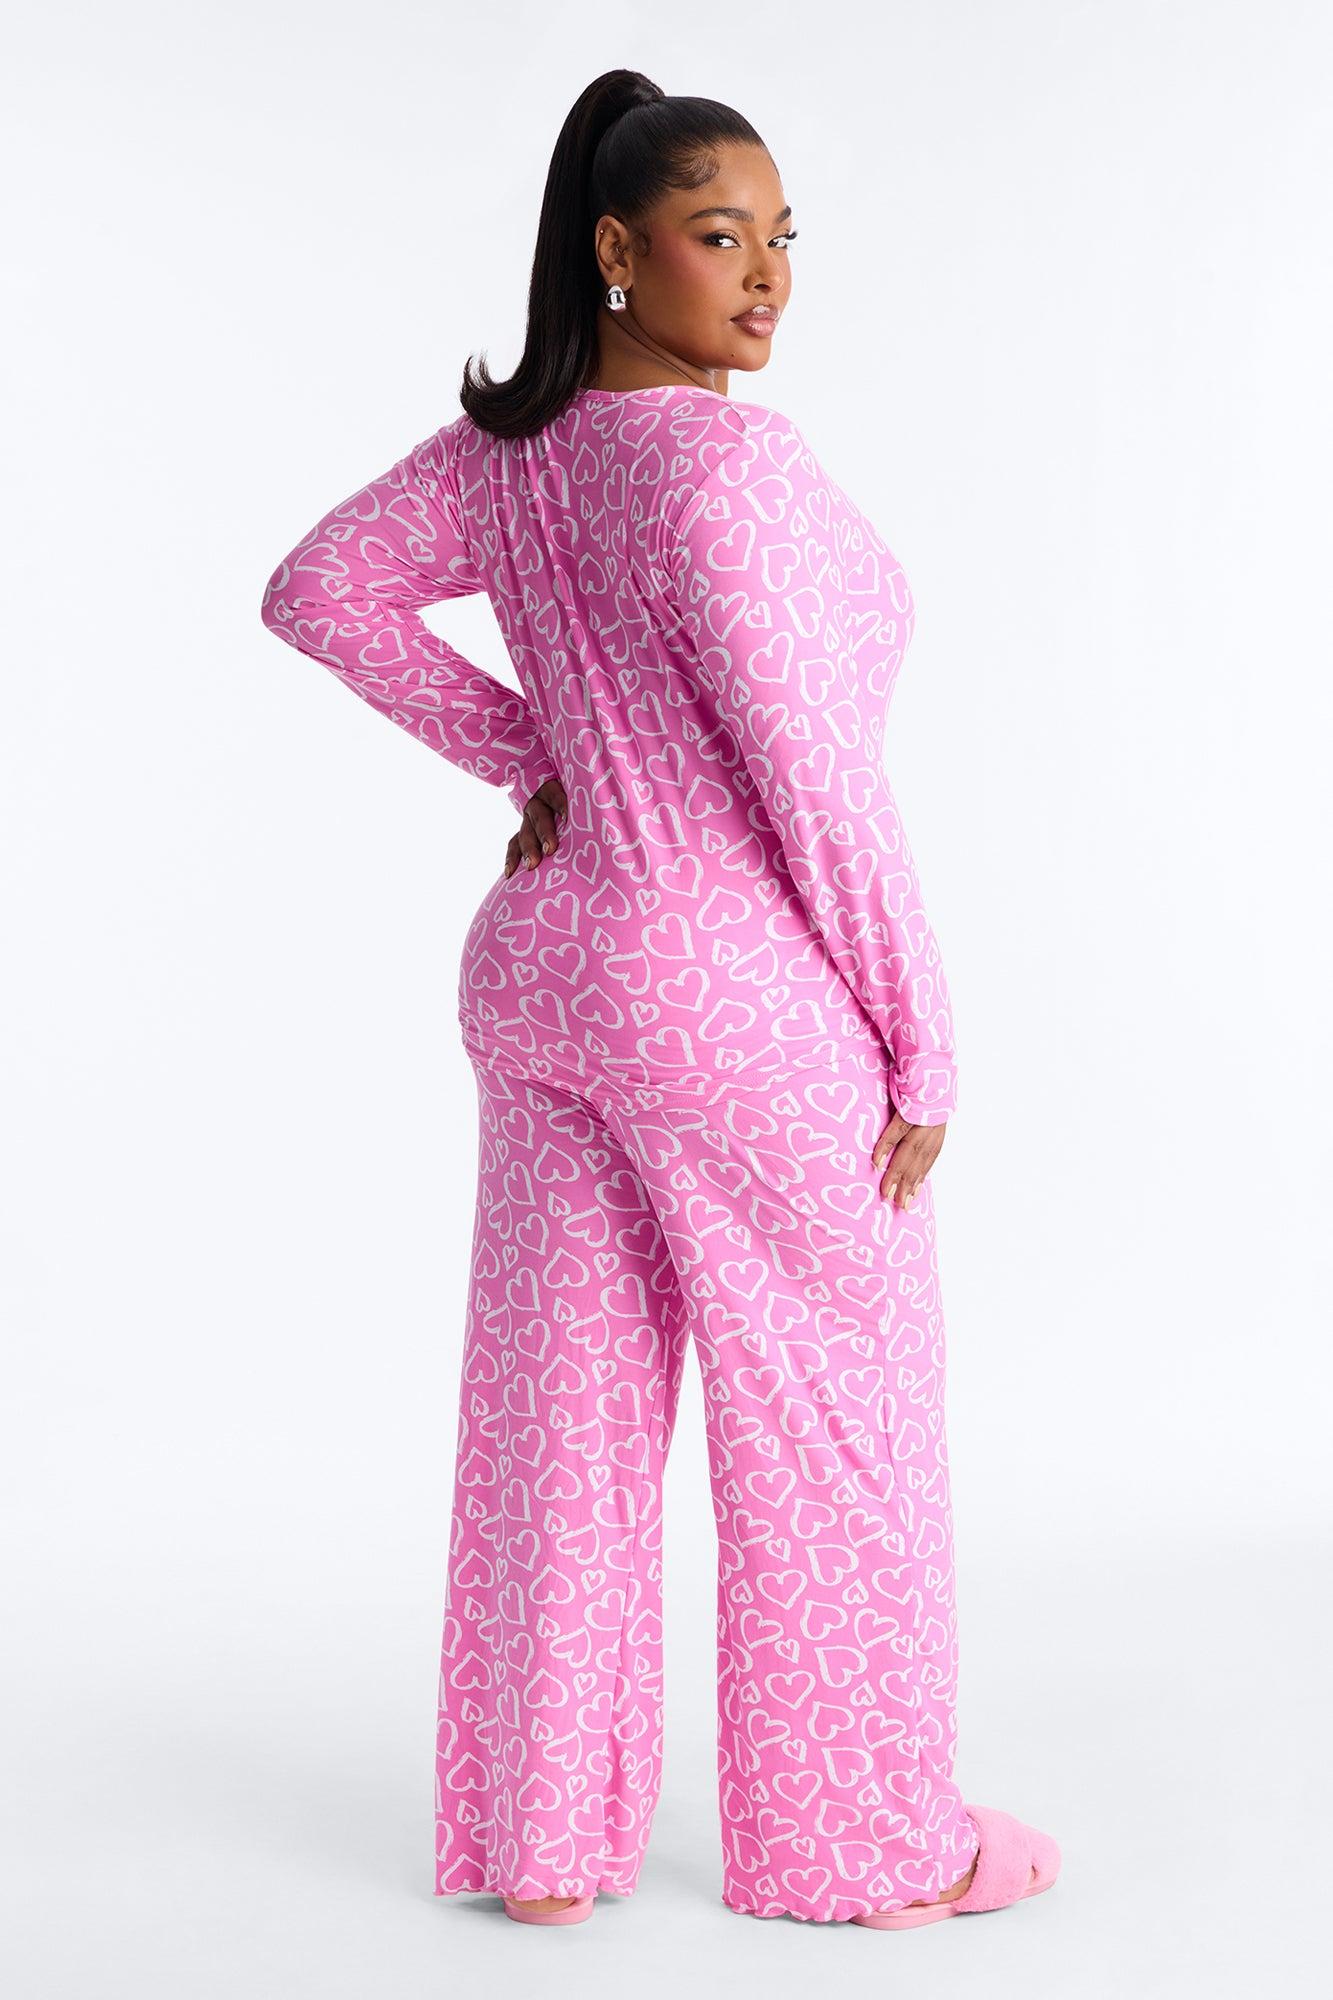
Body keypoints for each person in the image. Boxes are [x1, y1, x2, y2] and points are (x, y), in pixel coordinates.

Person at [259, 67, 1060, 1932]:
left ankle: (535, 1849)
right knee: (837, 1423)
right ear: (618, 252)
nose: (767, 276)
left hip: (544, 975)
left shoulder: (505, 457)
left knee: (556, 1419)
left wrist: (536, 757)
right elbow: (813, 781)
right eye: (721, 236)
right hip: (730, 995)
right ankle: (866, 1846)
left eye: (782, 240)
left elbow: (317, 588)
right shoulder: (725, 469)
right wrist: (920, 1030)